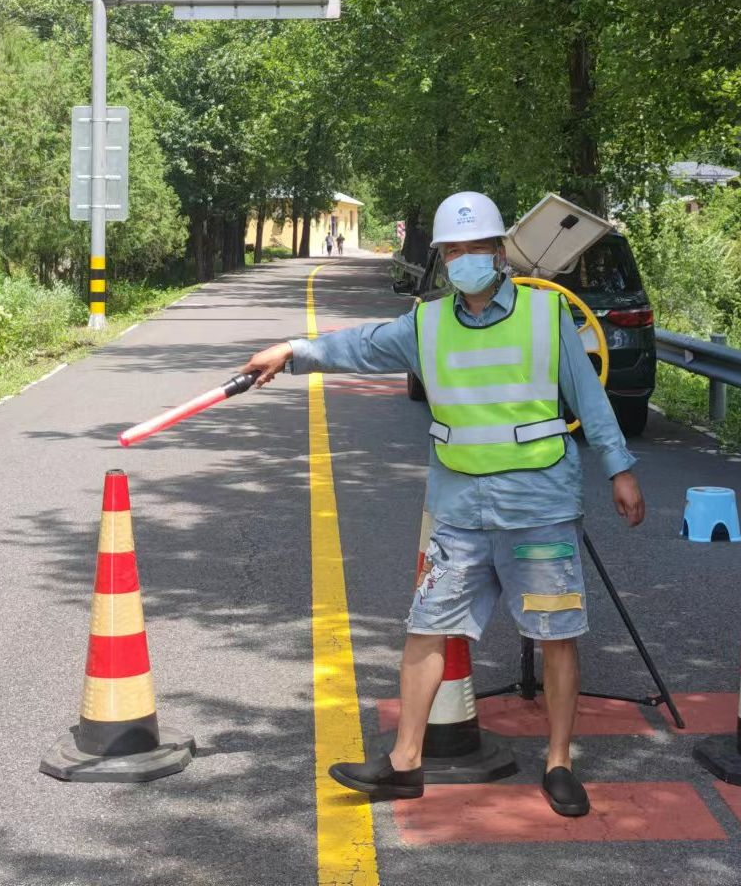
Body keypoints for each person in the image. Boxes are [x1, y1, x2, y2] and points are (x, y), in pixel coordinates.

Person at [242, 191, 646, 817]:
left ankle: (559, 762)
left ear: (499, 251)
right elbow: (360, 345)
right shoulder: (425, 324)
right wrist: (293, 352)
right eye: (452, 250)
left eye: (475, 246)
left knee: (557, 635)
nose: (464, 259)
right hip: (460, 510)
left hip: (539, 506)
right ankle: (405, 761)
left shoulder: (547, 315)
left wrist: (620, 470)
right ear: (442, 258)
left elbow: (590, 401)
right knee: (426, 626)